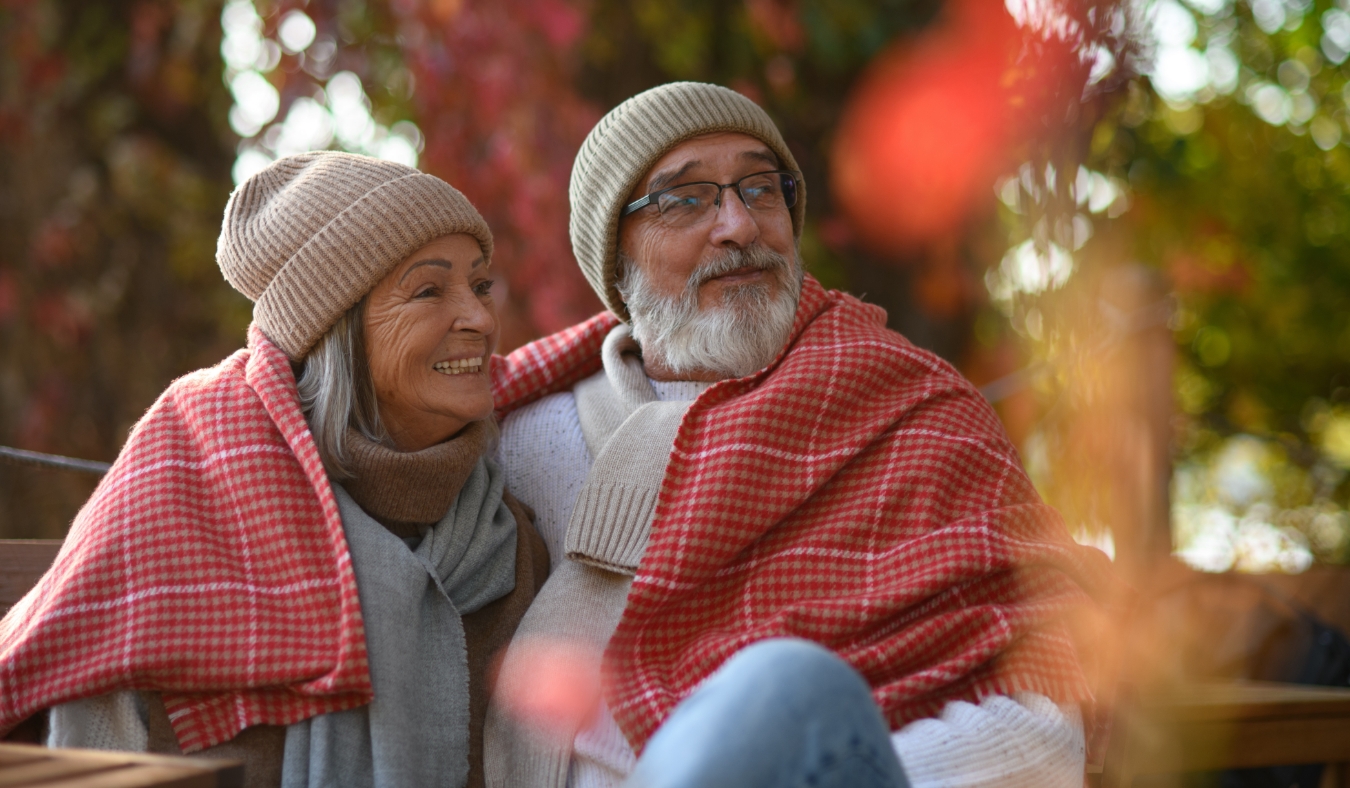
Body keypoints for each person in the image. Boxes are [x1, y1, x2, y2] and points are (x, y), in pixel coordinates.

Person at [480, 82, 1115, 788]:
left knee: (787, 687)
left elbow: (1041, 735)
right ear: (615, 258)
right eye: (684, 199)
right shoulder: (530, 439)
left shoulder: (919, 411)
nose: (738, 225)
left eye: (760, 188)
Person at [0, 151, 549, 788]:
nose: (481, 318)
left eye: (481, 285)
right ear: (336, 331)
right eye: (429, 291)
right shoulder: (189, 483)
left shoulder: (504, 536)